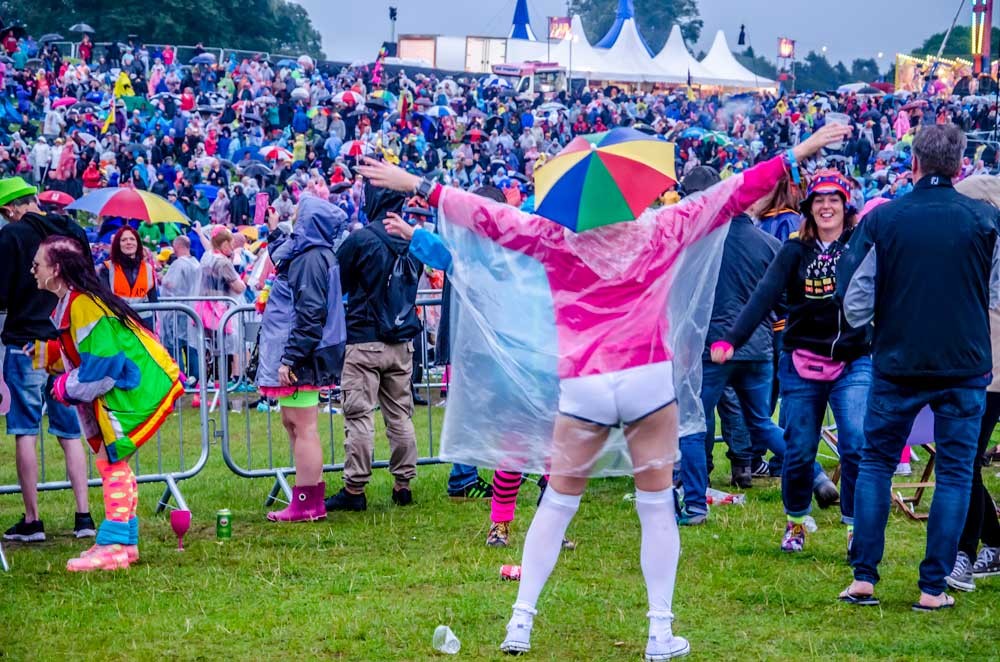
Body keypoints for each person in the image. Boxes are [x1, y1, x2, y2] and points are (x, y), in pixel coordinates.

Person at [358, 124, 851, 660]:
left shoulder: (552, 238)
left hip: (585, 386)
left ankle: (520, 623)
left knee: (556, 506)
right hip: (647, 383)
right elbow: (731, 192)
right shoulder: (663, 227)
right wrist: (798, 152)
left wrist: (419, 184)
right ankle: (659, 632)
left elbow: (491, 218)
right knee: (656, 508)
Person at [837, 124, 999, 611]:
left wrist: (878, 324)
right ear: (960, 166)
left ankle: (864, 578)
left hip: (898, 360)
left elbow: (855, 297)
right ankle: (933, 587)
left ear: (914, 164)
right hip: (964, 364)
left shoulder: (886, 219)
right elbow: (996, 293)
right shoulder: (984, 219)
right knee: (954, 472)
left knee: (877, 463)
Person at [712, 169, 872, 554]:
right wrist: (731, 339)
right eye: (819, 200)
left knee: (854, 443)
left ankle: (854, 527)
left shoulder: (862, 247)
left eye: (834, 200)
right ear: (809, 207)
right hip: (802, 361)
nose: (827, 207)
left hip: (853, 360)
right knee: (799, 448)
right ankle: (796, 521)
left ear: (846, 206)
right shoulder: (794, 250)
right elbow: (764, 296)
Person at [30, 234, 182, 570]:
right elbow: (84, 353)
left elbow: (102, 368)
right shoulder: (75, 303)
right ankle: (125, 542)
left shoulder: (83, 305)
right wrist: (47, 355)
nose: (32, 270)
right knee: (114, 462)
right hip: (125, 389)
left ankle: (113, 546)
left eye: (37, 264)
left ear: (56, 269)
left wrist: (63, 388)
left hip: (130, 390)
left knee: (112, 463)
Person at [676, 168, 787, 524]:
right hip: (757, 348)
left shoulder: (700, 244)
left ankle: (695, 499)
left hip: (710, 348)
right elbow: (784, 301)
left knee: (695, 421)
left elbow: (680, 298)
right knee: (761, 422)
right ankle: (813, 475)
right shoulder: (768, 243)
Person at [0, 177, 94, 543]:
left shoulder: (11, 236)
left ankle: (32, 519)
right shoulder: (71, 230)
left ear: (10, 209)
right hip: (66, 339)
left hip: (25, 340)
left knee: (25, 430)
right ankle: (83, 516)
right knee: (71, 431)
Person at [324, 184, 424, 512]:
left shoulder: (361, 240)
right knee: (400, 415)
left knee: (359, 415)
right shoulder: (412, 240)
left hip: (364, 339)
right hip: (401, 340)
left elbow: (337, 283)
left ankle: (354, 489)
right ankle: (403, 485)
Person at [258, 198, 348, 521]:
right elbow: (285, 256)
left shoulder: (311, 259)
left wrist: (290, 359)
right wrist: (273, 233)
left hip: (303, 357)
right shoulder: (311, 254)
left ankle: (308, 503)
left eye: (298, 215)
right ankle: (309, 498)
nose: (293, 219)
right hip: (302, 354)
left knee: (303, 425)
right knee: (294, 422)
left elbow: (309, 315)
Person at [944, 174, 1000, 591]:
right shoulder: (972, 240)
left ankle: (969, 551)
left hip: (985, 367)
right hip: (980, 366)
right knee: (965, 460)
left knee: (965, 460)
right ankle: (985, 545)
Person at [98, 225, 158, 330]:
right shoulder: (107, 268)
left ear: (138, 243)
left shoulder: (148, 268)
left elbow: (153, 300)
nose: (128, 242)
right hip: (118, 322)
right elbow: (105, 298)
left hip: (145, 323)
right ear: (118, 244)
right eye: (124, 240)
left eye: (132, 239)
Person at [160, 235, 201, 386]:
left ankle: (180, 378)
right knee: (191, 344)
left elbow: (171, 284)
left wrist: (161, 278)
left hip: (177, 310)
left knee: (175, 345)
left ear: (177, 246)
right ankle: (195, 377)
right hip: (192, 309)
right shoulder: (196, 263)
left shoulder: (179, 264)